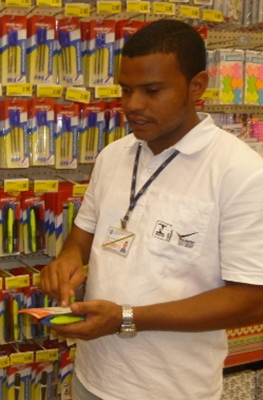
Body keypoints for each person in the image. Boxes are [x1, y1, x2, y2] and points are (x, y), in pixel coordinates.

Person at [40, 19, 263, 400]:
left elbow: (253, 300)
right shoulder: (114, 156)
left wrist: (127, 318)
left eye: (152, 90)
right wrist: (68, 260)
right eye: (126, 90)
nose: (132, 105)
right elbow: (82, 235)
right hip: (92, 378)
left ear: (197, 86)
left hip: (173, 389)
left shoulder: (241, 173)